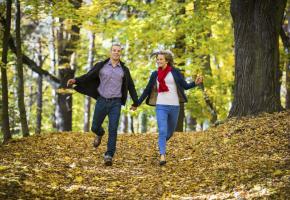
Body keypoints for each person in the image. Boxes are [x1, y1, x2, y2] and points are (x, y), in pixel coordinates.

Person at [67, 44, 138, 166]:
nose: (116, 52)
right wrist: (76, 80)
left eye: (118, 51)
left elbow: (130, 86)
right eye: (114, 50)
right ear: (110, 52)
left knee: (113, 129)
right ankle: (99, 133)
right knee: (94, 127)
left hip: (116, 103)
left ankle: (109, 155)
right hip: (101, 100)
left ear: (120, 53)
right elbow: (88, 76)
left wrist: (135, 102)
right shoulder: (101, 66)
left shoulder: (124, 70)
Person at [132, 50, 203, 165]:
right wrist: (137, 103)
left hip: (175, 106)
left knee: (169, 133)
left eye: (160, 59)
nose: (158, 61)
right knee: (162, 131)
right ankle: (162, 156)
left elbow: (185, 86)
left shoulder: (175, 72)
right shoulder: (155, 74)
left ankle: (161, 143)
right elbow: (147, 90)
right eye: (157, 59)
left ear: (167, 60)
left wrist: (195, 83)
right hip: (161, 105)